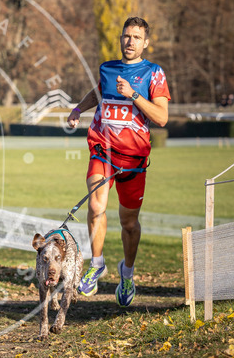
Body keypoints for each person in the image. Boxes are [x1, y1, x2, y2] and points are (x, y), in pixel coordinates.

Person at [67, 17, 170, 307]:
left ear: (145, 42)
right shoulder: (108, 68)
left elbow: (161, 117)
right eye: (126, 36)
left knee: (129, 223)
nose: (130, 41)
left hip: (134, 160)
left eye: (137, 37)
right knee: (96, 206)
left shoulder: (154, 73)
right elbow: (98, 92)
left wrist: (134, 94)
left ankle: (127, 273)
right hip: (103, 150)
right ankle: (97, 263)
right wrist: (78, 109)